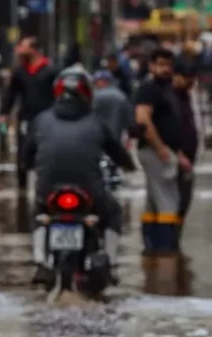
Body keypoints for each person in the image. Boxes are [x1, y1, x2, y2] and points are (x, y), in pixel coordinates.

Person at [26, 68, 136, 286]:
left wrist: (29, 165)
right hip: (90, 191)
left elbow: (26, 155)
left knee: (38, 212)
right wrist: (129, 166)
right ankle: (111, 264)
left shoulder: (41, 120)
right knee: (113, 212)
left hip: (48, 190)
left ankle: (40, 262)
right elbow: (118, 152)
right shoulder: (97, 122)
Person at [134, 47, 189, 255]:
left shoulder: (167, 89)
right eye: (160, 65)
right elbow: (142, 118)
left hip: (162, 150)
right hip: (154, 151)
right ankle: (166, 249)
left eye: (168, 65)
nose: (165, 69)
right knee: (169, 200)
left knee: (153, 201)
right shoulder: (149, 88)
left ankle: (151, 247)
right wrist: (161, 149)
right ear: (151, 66)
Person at [0, 37, 60, 189]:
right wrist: (4, 112)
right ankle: (22, 182)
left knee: (45, 149)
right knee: (23, 148)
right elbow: (11, 93)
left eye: (23, 47)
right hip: (26, 116)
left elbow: (57, 94)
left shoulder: (51, 71)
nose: (20, 50)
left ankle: (44, 182)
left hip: (46, 117)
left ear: (34, 49)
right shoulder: (20, 72)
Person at [173, 59, 200, 226]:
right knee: (176, 203)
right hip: (176, 159)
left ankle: (174, 243)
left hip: (188, 158)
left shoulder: (186, 96)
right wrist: (178, 154)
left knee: (184, 201)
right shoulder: (171, 97)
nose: (191, 83)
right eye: (187, 78)